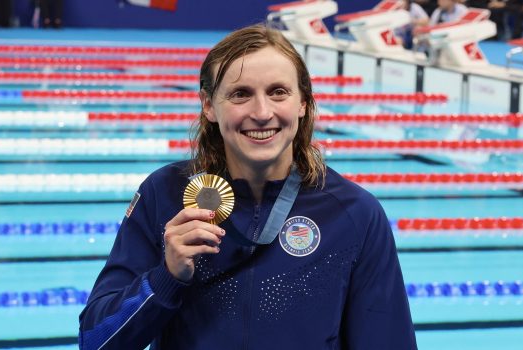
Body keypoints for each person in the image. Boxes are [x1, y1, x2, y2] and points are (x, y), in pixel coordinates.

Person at [78, 24, 417, 350]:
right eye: (240, 94)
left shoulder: (354, 214)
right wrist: (166, 276)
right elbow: (95, 341)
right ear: (209, 105)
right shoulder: (164, 194)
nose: (261, 112)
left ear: (302, 103)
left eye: (278, 92)